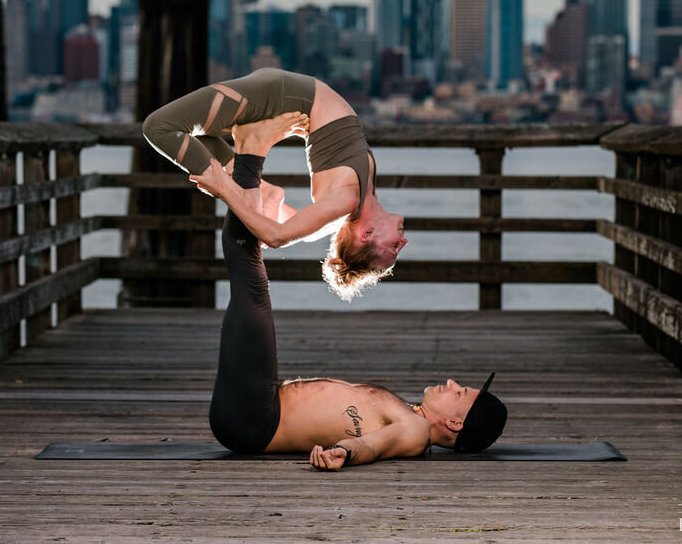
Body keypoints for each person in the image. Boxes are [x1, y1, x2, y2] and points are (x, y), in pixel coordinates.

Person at [207, 117, 507, 469]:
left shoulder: (414, 432)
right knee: (249, 280)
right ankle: (242, 170)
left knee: (250, 284)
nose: (452, 383)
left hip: (253, 420)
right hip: (260, 407)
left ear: (455, 424)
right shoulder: (408, 414)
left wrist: (344, 452)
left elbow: (374, 446)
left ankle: (242, 163)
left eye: (461, 393)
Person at [141, 67, 407, 301]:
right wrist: (252, 203)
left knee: (159, 127)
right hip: (283, 95)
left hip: (280, 97)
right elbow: (283, 234)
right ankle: (239, 184)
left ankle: (239, 184)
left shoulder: (347, 201)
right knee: (174, 130)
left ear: (366, 235)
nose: (403, 242)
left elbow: (278, 235)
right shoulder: (358, 201)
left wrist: (232, 193)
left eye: (394, 246)